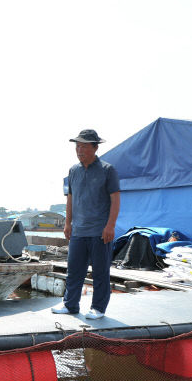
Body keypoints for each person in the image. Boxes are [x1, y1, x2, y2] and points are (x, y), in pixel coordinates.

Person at [52, 129, 120, 320]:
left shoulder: (108, 170)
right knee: (74, 270)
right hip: (78, 231)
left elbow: (115, 200)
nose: (79, 150)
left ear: (95, 147)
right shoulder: (73, 171)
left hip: (100, 231)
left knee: (100, 271)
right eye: (77, 146)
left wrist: (110, 226)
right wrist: (67, 223)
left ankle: (98, 308)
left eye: (83, 146)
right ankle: (70, 304)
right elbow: (70, 199)